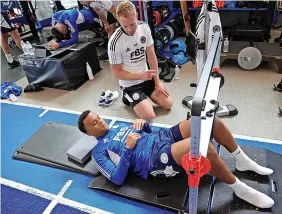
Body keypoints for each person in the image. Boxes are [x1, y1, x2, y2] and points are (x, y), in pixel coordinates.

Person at [77, 110, 275, 209]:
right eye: (94, 123)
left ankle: (242, 160)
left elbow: (148, 132)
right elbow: (116, 178)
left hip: (161, 138)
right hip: (154, 160)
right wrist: (128, 149)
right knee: (202, 147)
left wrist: (144, 125)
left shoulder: (118, 125)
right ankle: (239, 188)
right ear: (88, 132)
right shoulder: (99, 151)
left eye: (99, 118)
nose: (100, 122)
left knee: (208, 123)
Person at [107, 1, 173, 121]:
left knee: (168, 104)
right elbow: (116, 73)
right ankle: (127, 96)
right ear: (119, 21)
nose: (129, 29)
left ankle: (144, 96)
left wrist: (157, 82)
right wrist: (141, 75)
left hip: (146, 78)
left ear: (136, 16)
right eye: (124, 26)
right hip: (130, 84)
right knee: (149, 116)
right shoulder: (114, 41)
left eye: (132, 24)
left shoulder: (144, 27)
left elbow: (152, 57)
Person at [1, 1, 21, 69]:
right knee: (14, 33)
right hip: (1, 13)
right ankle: (31, 54)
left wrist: (10, 11)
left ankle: (10, 61)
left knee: (4, 35)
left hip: (2, 11)